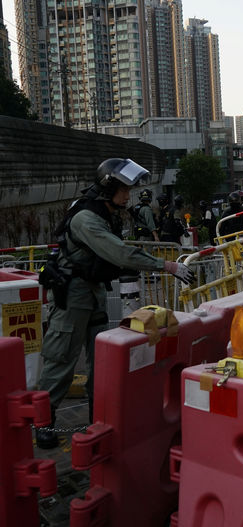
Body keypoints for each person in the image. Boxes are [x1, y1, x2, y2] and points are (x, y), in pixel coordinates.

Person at [34, 158, 195, 449]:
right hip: (72, 294)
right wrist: (166, 266)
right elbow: (119, 253)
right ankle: (42, 421)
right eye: (123, 189)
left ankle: (99, 416)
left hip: (92, 291)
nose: (128, 195)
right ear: (109, 188)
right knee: (61, 358)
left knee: (100, 359)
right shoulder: (87, 217)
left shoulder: (105, 211)